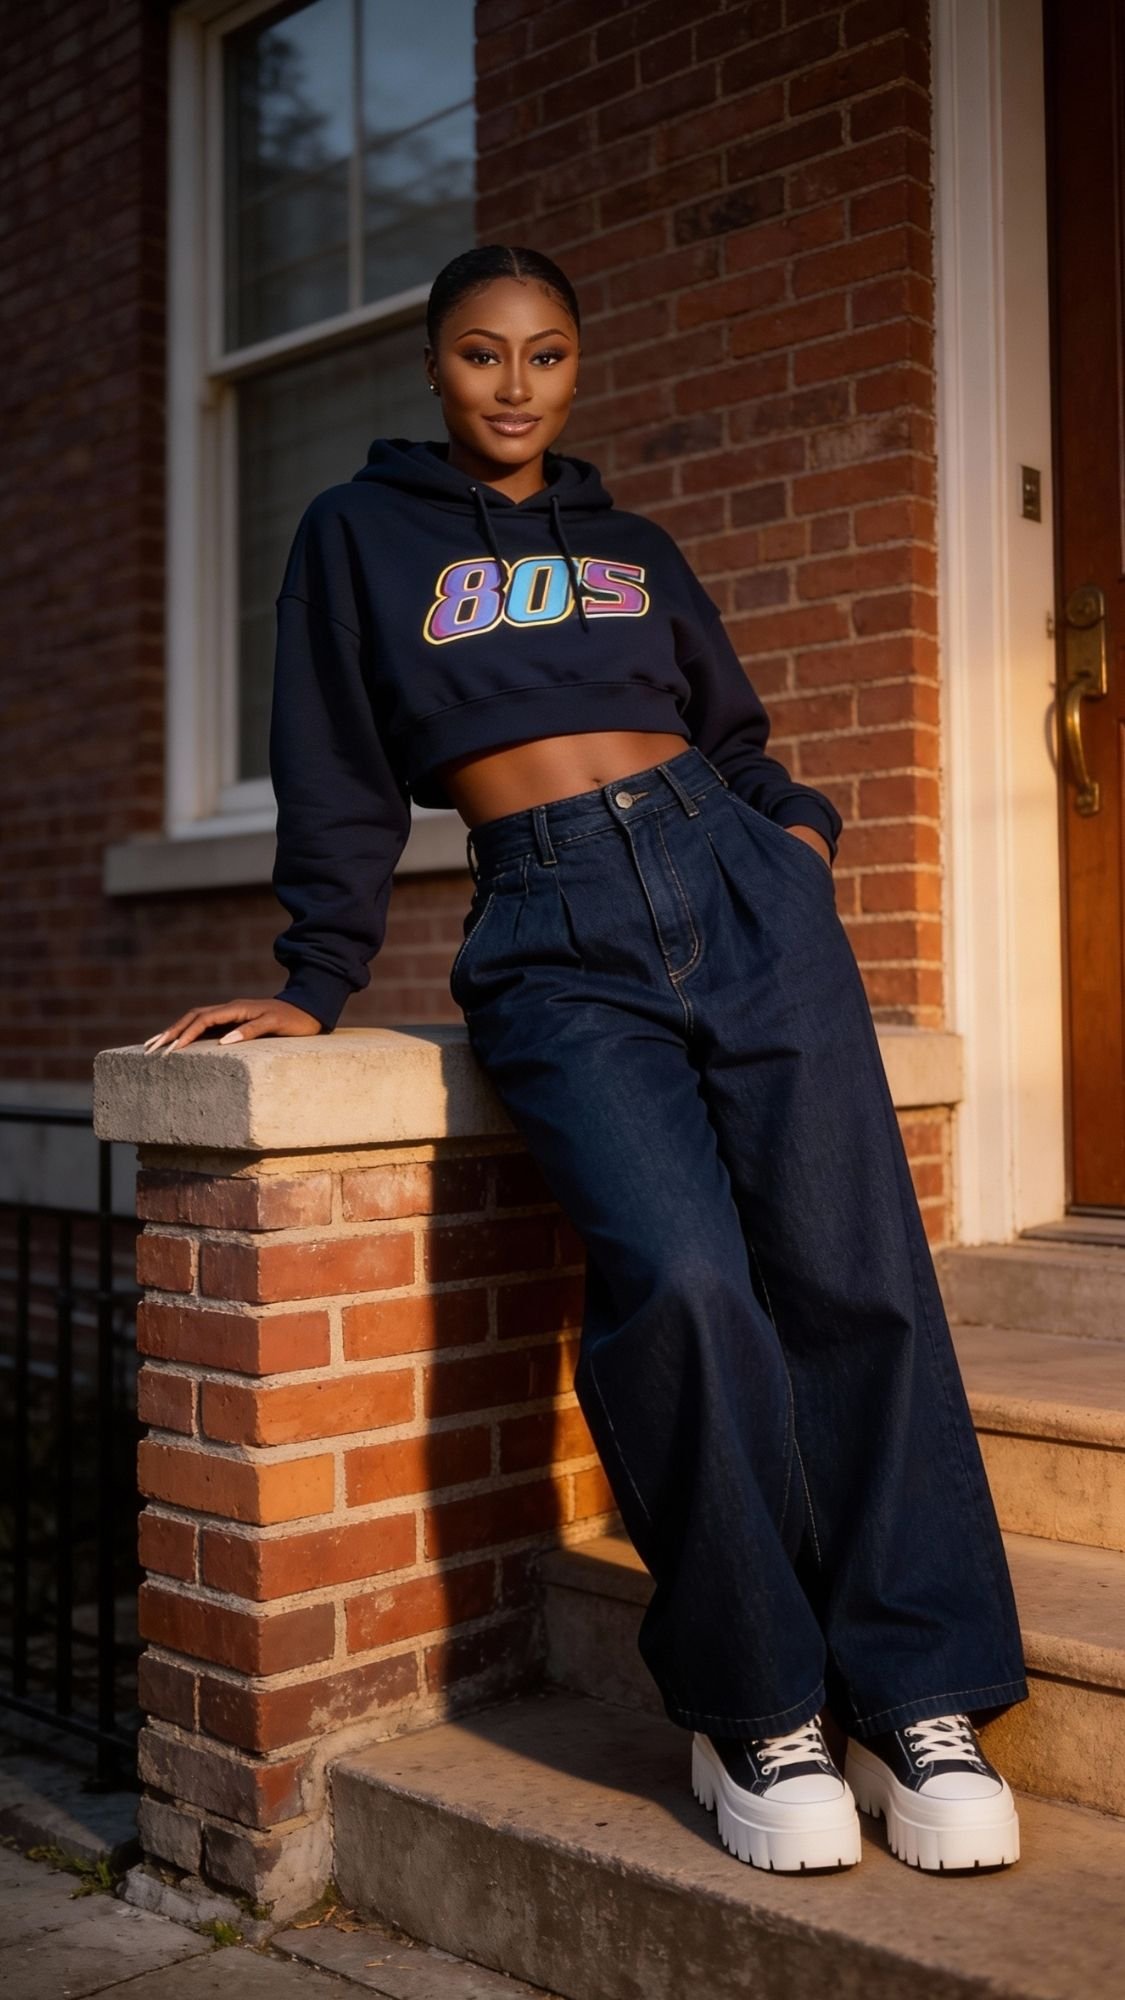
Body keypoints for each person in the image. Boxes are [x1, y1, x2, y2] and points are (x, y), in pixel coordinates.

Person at [144, 243, 1029, 1876]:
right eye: (481, 355)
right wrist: (312, 982)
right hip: (546, 929)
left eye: (545, 356)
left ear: (575, 369)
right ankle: (753, 1708)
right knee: (679, 1285)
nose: (513, 386)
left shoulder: (630, 543)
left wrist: (796, 843)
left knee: (854, 1280)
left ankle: (922, 1696)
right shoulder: (360, 535)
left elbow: (737, 734)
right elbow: (330, 762)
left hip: (735, 882)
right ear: (434, 364)